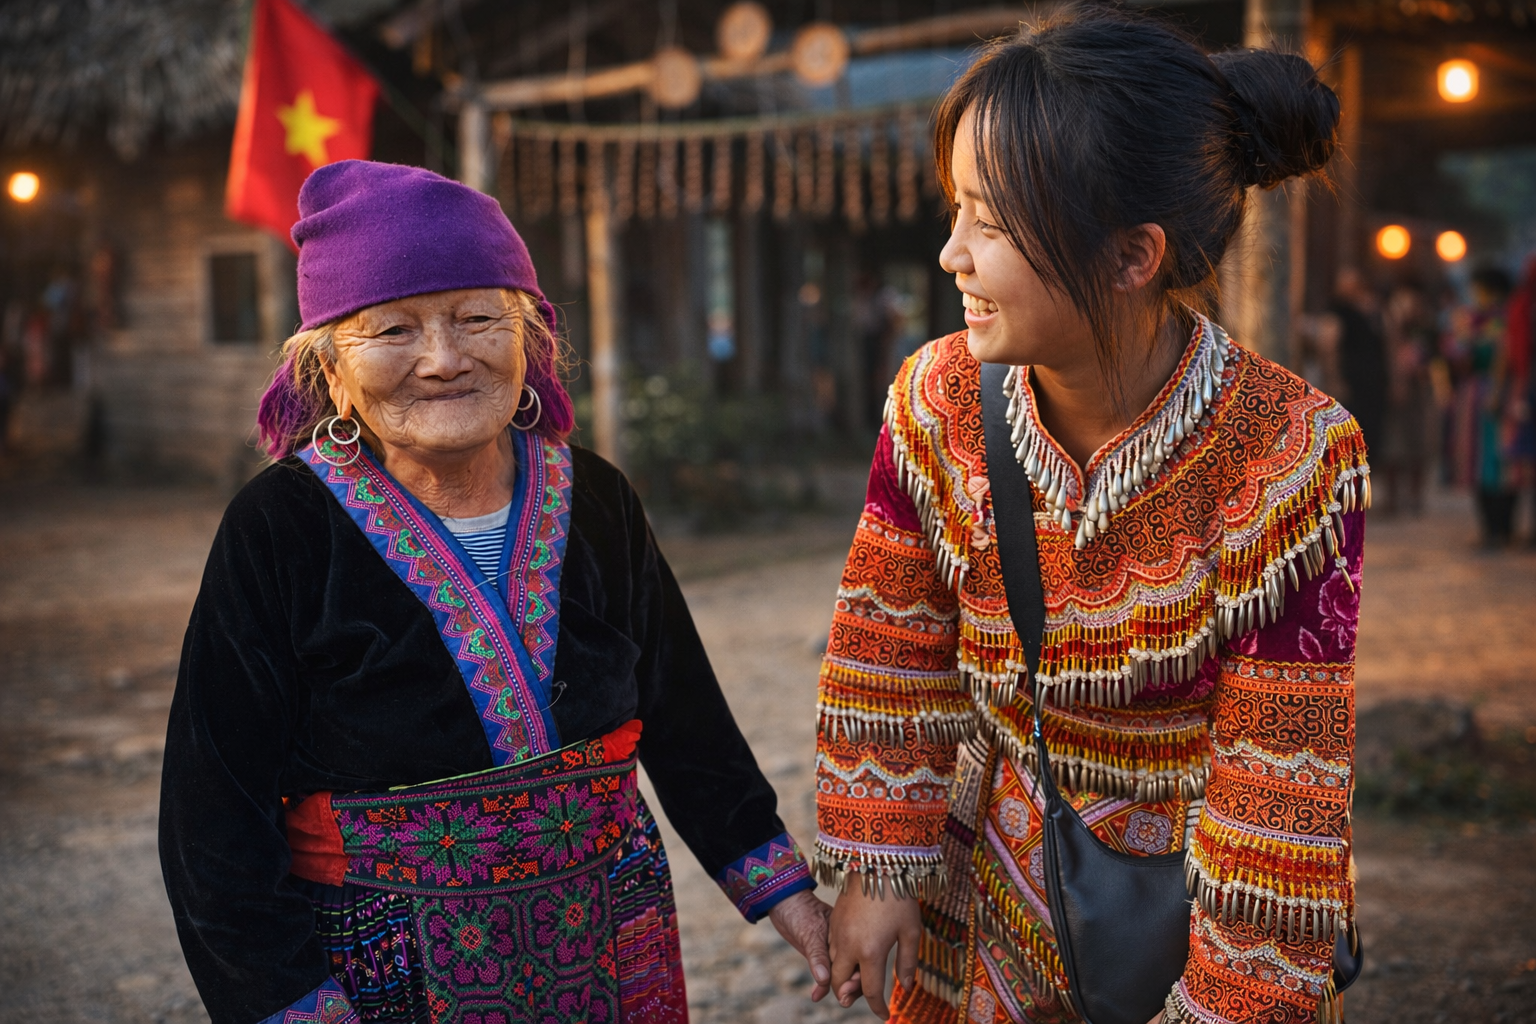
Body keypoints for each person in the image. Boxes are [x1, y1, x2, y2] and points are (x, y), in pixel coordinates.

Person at [159, 161, 831, 1024]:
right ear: (328, 370)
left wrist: (786, 895)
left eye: (478, 319)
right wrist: (288, 1001)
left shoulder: (594, 495)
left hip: (611, 939)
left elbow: (685, 717)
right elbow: (212, 810)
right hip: (382, 963)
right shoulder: (279, 527)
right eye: (392, 330)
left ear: (531, 341)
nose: (443, 360)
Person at [813, 9, 1367, 1024]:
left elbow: (1282, 772)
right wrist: (880, 869)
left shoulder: (1292, 455)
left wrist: (1228, 1000)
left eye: (991, 221)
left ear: (1132, 256)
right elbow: (888, 645)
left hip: (1192, 898)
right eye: (956, 211)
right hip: (976, 898)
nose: (951, 256)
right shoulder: (933, 401)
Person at [1443, 265, 1518, 545]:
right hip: (1474, 398)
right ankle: (1491, 528)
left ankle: (1502, 528)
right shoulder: (1471, 320)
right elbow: (1456, 357)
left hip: (1497, 396)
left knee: (1500, 462)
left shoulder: (1505, 320)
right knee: (1477, 462)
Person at [1379, 282, 1437, 516]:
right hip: (1392, 398)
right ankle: (1392, 498)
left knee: (1418, 446)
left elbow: (1435, 361)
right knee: (1393, 447)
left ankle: (1415, 496)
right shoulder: (1386, 331)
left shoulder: (1425, 331)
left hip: (1418, 394)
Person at [1326, 267, 1388, 456]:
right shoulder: (1337, 312)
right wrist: (1335, 379)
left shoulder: (1371, 312)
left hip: (1372, 384)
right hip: (1350, 381)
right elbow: (1329, 346)